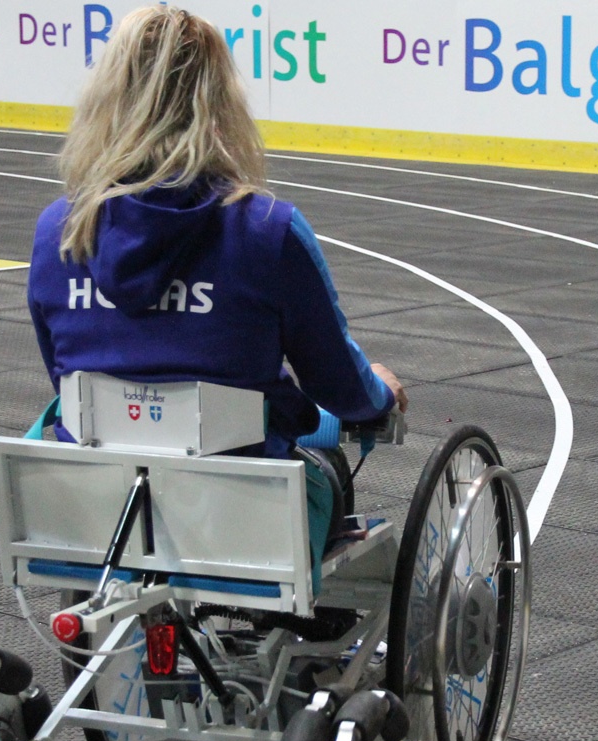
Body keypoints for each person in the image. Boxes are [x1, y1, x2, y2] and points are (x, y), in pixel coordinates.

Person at [27, 4, 406, 574]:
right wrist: (379, 393)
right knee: (324, 464)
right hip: (243, 518)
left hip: (99, 514)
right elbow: (337, 383)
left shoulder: (59, 229)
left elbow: (64, 371)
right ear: (220, 102)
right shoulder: (266, 230)